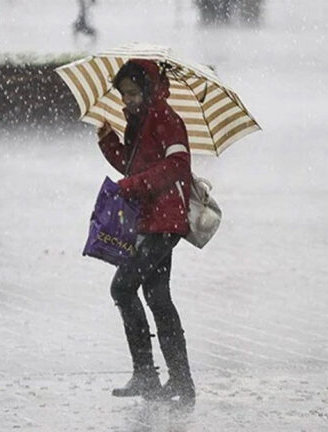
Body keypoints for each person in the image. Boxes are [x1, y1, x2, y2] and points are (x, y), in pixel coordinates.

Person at [96, 59, 196, 407]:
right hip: (149, 221)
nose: (127, 101)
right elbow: (132, 165)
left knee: (123, 287)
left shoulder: (167, 121)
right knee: (157, 297)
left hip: (165, 223)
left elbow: (177, 167)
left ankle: (146, 374)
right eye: (124, 95)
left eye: (134, 93)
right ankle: (180, 382)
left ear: (149, 89)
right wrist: (109, 142)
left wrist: (135, 184)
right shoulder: (137, 122)